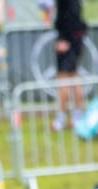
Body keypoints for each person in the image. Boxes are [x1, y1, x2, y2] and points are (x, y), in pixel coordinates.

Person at [54, 0, 87, 131]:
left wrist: (64, 39)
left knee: (64, 79)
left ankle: (62, 119)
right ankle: (77, 117)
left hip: (69, 40)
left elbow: (69, 16)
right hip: (75, 38)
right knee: (73, 77)